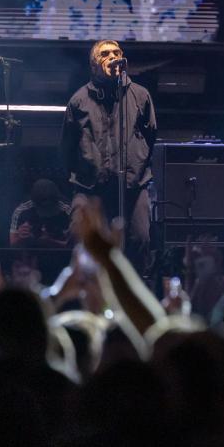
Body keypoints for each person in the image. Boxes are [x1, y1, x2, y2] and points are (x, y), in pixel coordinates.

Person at [60, 39, 157, 273]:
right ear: (94, 64)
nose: (113, 57)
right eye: (105, 54)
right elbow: (67, 146)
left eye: (116, 52)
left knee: (140, 239)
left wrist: (136, 165)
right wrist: (85, 169)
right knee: (80, 238)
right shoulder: (79, 101)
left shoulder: (140, 95)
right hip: (91, 187)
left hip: (132, 187)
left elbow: (150, 135)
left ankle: (133, 288)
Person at [8, 178, 73, 248]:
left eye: (50, 208)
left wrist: (50, 242)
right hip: (32, 252)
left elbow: (77, 247)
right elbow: (13, 245)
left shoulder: (69, 210)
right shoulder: (22, 210)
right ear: (33, 202)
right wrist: (21, 237)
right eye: (44, 209)